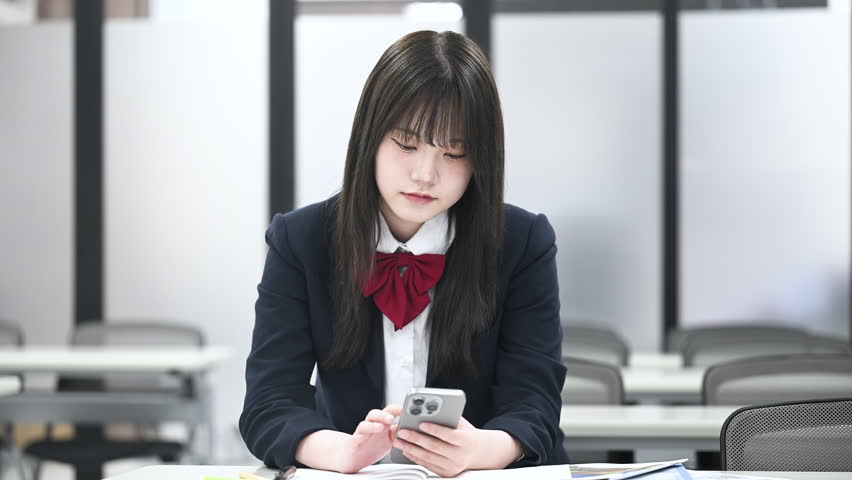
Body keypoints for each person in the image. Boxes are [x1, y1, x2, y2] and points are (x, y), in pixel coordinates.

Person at [240, 30, 567, 476]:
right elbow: (269, 401)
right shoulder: (301, 241)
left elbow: (535, 401)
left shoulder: (522, 242)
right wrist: (341, 452)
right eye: (407, 144)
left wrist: (481, 450)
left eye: (454, 152)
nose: (425, 174)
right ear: (369, 138)